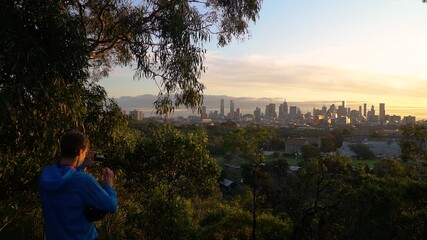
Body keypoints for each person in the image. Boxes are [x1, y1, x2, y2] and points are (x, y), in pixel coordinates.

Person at [39, 130, 118, 240]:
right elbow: (112, 206)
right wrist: (109, 186)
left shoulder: (46, 175)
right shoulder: (84, 180)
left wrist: (82, 167)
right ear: (80, 152)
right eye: (85, 153)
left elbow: (67, 181)